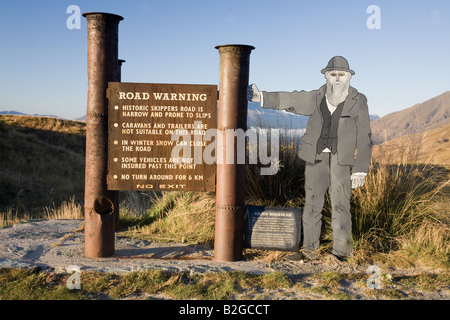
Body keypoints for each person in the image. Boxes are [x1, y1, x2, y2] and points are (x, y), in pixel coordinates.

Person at [248, 56, 372, 260]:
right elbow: (291, 99)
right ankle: (309, 252)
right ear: (326, 76)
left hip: (341, 160)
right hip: (315, 158)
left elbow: (365, 135)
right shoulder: (316, 97)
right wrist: (261, 97)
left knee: (341, 204)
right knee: (312, 205)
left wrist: (360, 169)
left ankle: (342, 253)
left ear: (349, 76)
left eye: (342, 74)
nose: (337, 78)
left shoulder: (359, 101)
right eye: (333, 74)